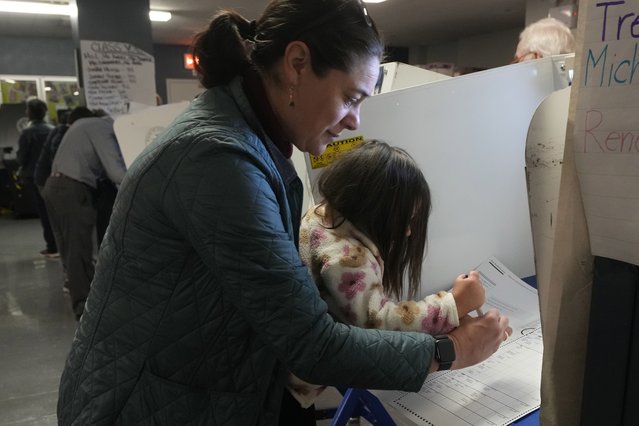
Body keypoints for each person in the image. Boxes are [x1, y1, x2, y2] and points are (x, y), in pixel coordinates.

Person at [56, 1, 511, 425]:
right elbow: (312, 345)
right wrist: (452, 350)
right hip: (138, 405)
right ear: (297, 64)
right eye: (351, 98)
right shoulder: (218, 159)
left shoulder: (250, 140)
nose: (355, 121)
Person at [287, 140, 486, 406]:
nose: (407, 232)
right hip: (292, 385)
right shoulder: (345, 258)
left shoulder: (324, 217)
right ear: (373, 211)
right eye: (403, 220)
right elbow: (378, 327)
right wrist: (453, 303)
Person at [42, 112, 126, 321]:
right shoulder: (104, 130)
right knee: (79, 251)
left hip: (54, 186)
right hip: (71, 189)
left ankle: (81, 302)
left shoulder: (83, 124)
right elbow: (116, 173)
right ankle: (86, 309)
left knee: (70, 250)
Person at [16, 98, 55, 255]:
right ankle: (59, 243)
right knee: (54, 211)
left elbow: (21, 158)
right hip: (52, 175)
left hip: (34, 176)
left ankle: (52, 245)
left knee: (43, 211)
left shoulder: (27, 133)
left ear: (30, 113)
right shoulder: (52, 129)